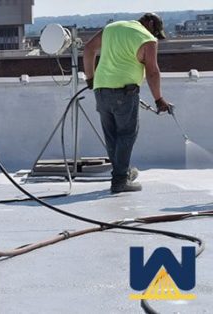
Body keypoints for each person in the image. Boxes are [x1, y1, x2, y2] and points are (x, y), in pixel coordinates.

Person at [83, 12, 172, 193]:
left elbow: (88, 49)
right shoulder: (147, 39)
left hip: (101, 91)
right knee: (126, 134)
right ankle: (120, 180)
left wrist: (90, 78)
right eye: (155, 32)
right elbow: (153, 72)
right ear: (149, 23)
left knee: (112, 136)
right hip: (124, 93)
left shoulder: (112, 28)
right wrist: (159, 99)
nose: (155, 37)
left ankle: (122, 172)